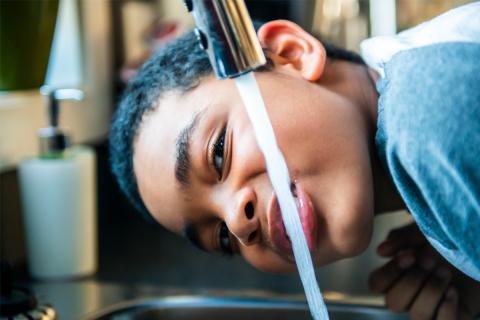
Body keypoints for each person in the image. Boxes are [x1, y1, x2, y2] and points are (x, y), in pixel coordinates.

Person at [109, 3, 480, 319]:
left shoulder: (427, 119)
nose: (239, 223)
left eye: (219, 152)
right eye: (222, 237)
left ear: (291, 54)